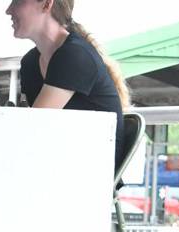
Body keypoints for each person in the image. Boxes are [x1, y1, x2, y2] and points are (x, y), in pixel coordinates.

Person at [7, 0, 128, 171]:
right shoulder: (30, 63)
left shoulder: (75, 55)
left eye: (17, 1)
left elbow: (32, 129)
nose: (8, 10)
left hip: (89, 176)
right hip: (60, 167)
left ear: (46, 4)